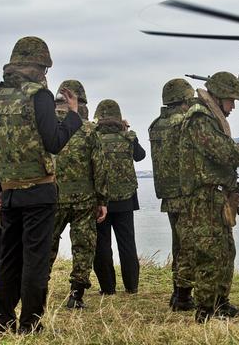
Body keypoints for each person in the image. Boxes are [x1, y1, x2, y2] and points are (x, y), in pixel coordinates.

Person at [0, 36, 82, 334]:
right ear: (39, 68)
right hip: (40, 189)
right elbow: (54, 142)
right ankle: (30, 323)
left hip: (9, 190)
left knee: (9, 256)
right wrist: (72, 116)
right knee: (35, 259)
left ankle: (3, 320)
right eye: (46, 70)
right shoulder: (39, 96)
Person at [178, 71, 239, 323]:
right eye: (231, 100)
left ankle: (220, 303)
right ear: (219, 96)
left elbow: (220, 148)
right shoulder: (200, 116)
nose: (233, 106)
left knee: (225, 252)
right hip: (205, 197)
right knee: (210, 254)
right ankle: (205, 311)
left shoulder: (209, 117)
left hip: (216, 197)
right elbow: (220, 151)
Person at [49, 79, 108, 309]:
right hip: (84, 198)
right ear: (80, 102)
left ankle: (38, 287)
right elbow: (100, 167)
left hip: (51, 196)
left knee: (47, 243)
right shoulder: (88, 129)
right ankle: (76, 295)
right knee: (83, 246)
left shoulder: (46, 126)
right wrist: (102, 199)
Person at [148, 78, 196, 311]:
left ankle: (177, 292)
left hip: (167, 193)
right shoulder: (185, 123)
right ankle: (183, 297)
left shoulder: (156, 124)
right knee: (188, 246)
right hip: (186, 192)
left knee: (178, 245)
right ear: (186, 99)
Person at [94, 99, 145, 295]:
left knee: (102, 245)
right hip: (126, 200)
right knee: (127, 243)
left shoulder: (93, 138)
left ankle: (107, 288)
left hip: (100, 200)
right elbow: (140, 156)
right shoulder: (128, 137)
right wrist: (127, 132)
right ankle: (131, 286)